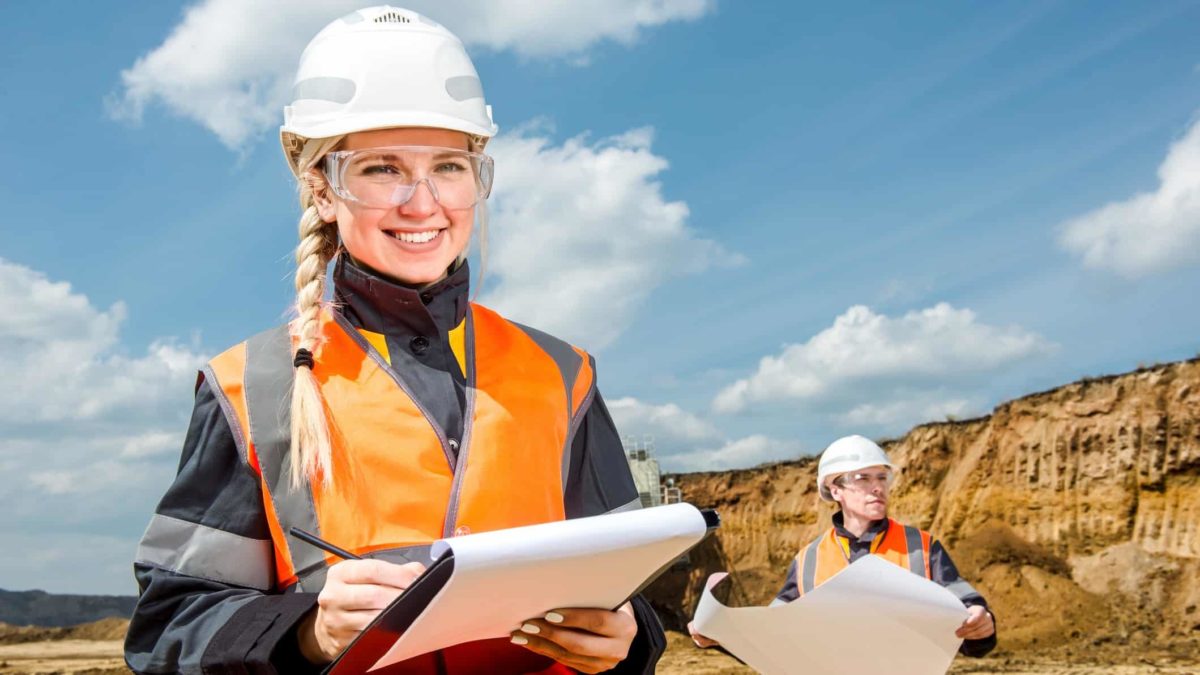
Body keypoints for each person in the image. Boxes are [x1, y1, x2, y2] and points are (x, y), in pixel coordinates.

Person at [123, 6, 665, 674]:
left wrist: (627, 638)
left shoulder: (562, 373)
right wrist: (306, 635)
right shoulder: (251, 386)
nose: (421, 202)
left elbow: (624, 587)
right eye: (380, 168)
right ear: (321, 189)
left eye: (448, 166)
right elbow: (168, 626)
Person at [689, 435, 997, 657]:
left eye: (882, 477)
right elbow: (773, 639)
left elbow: (970, 613)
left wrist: (983, 624)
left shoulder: (922, 547)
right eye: (863, 478)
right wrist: (720, 637)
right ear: (835, 489)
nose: (877, 487)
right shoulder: (809, 560)